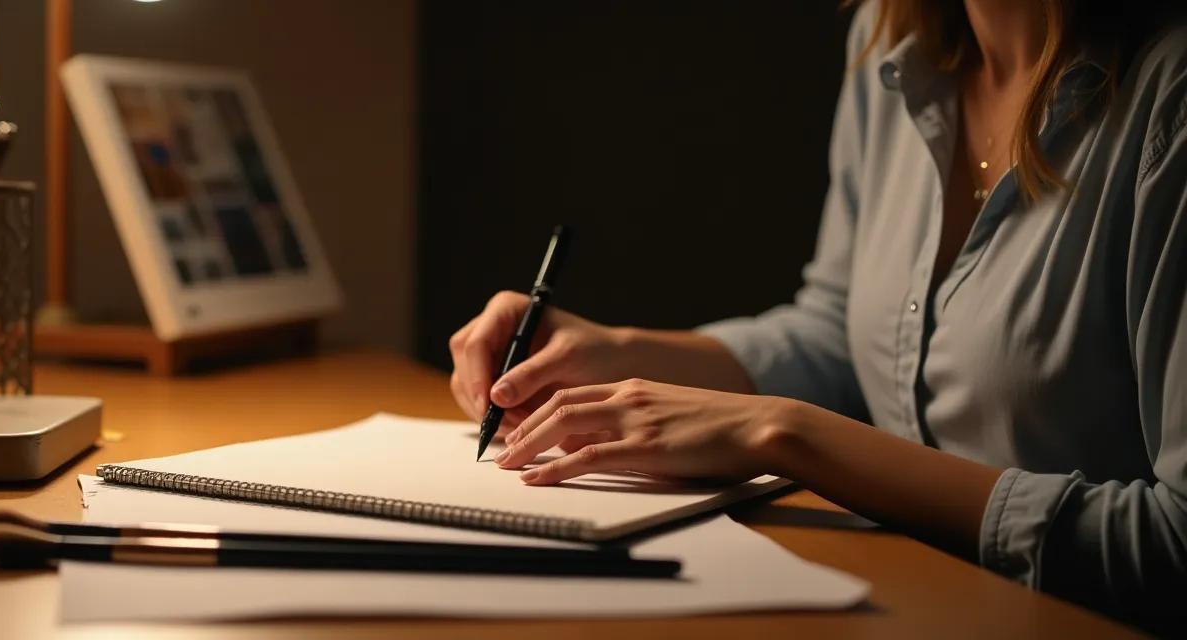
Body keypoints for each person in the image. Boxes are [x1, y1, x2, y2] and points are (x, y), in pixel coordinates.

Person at [448, 0, 1185, 626]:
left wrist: (785, 433)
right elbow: (845, 335)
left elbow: (1173, 545)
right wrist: (615, 349)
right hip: (900, 600)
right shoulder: (892, 43)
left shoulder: (1167, 97)